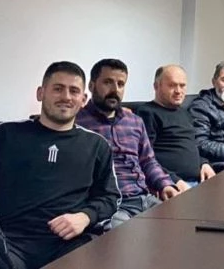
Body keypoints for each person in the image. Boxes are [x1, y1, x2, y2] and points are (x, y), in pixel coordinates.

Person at [0, 61, 120, 269]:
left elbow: (110, 197)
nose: (66, 97)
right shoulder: (3, 135)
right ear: (40, 93)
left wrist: (85, 216)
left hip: (70, 245)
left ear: (83, 99)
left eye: (74, 91)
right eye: (58, 89)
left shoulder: (97, 145)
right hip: (6, 244)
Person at [76, 59, 178, 228]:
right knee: (127, 237)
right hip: (113, 204)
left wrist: (165, 184)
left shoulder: (134, 121)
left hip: (145, 199)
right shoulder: (78, 124)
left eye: (120, 84)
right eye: (108, 82)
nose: (115, 89)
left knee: (183, 224)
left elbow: (148, 161)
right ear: (92, 86)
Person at [136, 65, 215, 191]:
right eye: (172, 85)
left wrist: (203, 163)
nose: (178, 91)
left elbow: (191, 147)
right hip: (171, 185)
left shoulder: (184, 113)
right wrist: (172, 180)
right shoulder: (147, 113)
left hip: (199, 180)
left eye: (182, 85)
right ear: (156, 86)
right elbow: (145, 157)